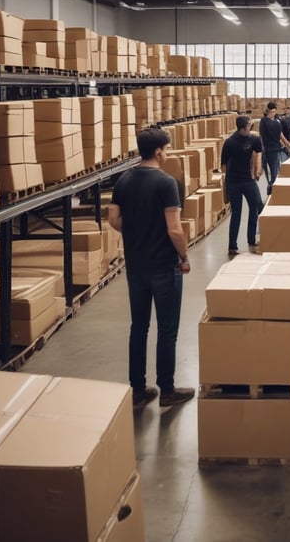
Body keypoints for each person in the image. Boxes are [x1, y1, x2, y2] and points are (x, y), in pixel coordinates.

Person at [108, 127, 195, 410]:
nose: (168, 154)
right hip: (163, 266)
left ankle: (137, 391)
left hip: (136, 267)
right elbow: (174, 229)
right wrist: (184, 255)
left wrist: (137, 231)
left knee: (139, 327)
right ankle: (167, 390)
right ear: (158, 151)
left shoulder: (124, 179)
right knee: (167, 329)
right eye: (167, 149)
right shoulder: (166, 183)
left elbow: (113, 219)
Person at [221, 115, 264, 256]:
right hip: (233, 182)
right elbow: (223, 165)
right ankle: (232, 246)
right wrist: (227, 183)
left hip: (248, 180)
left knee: (257, 205)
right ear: (242, 128)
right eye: (249, 126)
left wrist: (257, 170)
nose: (251, 127)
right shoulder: (229, 142)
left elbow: (258, 154)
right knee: (237, 213)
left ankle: (251, 239)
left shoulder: (254, 139)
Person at [259, 101, 290, 196]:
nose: (274, 113)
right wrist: (261, 150)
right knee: (273, 173)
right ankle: (272, 191)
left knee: (275, 172)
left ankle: (273, 190)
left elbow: (280, 134)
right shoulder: (264, 121)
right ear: (270, 110)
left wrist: (287, 144)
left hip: (276, 149)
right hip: (269, 150)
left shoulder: (276, 120)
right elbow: (262, 136)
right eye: (273, 111)